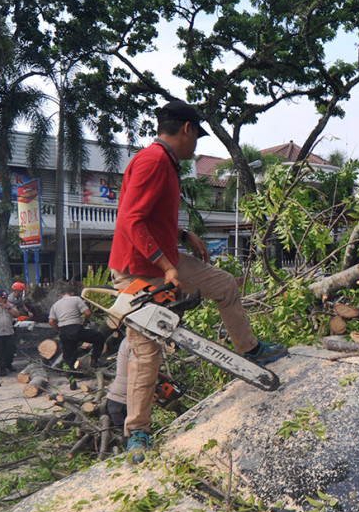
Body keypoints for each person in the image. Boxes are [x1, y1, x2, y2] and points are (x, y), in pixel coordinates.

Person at [109, 99, 286, 460]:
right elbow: (131, 220)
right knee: (146, 352)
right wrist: (166, 266)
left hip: (164, 261)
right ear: (187, 129)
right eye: (197, 137)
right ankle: (138, 433)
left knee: (224, 285)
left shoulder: (164, 162)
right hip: (137, 271)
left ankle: (250, 349)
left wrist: (183, 234)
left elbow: (151, 216)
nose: (195, 147)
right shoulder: (153, 161)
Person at [48, 285, 105, 381]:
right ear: (72, 293)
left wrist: (59, 330)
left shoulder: (55, 305)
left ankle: (72, 375)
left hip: (63, 331)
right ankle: (94, 361)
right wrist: (85, 321)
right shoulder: (76, 299)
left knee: (69, 354)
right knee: (99, 337)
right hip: (75, 328)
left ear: (61, 295)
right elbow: (87, 313)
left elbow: (51, 321)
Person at [0, 290, 18, 376]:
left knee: (10, 351)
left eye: (5, 298)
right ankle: (2, 368)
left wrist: (8, 307)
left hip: (9, 332)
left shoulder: (10, 306)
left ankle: (9, 364)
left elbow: (17, 314)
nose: (4, 300)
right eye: (2, 298)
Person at [105, 337, 130, 429]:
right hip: (122, 401)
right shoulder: (136, 344)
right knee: (129, 432)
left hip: (115, 399)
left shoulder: (126, 341)